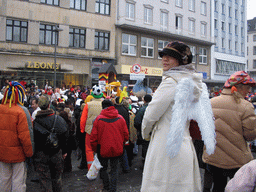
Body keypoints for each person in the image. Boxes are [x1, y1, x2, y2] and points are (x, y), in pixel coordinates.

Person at [140, 41, 216, 191]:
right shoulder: (192, 82)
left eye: (171, 56)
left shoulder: (171, 82)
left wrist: (145, 133)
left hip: (165, 145)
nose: (164, 59)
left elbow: (150, 115)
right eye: (163, 56)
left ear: (181, 61)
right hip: (185, 144)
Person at [202, 71, 256, 192]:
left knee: (218, 186)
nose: (249, 91)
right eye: (247, 88)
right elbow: (250, 136)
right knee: (239, 187)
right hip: (237, 159)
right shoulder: (246, 106)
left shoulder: (211, 102)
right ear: (239, 88)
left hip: (214, 156)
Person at [0, 81, 34, 192]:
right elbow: (25, 136)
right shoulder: (21, 111)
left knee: (4, 180)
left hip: (2, 153)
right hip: (18, 154)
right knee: (18, 181)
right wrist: (29, 153)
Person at [90, 100, 129, 192]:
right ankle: (113, 188)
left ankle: (106, 187)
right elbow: (126, 134)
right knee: (114, 169)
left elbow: (93, 137)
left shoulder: (98, 119)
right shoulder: (120, 118)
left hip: (102, 148)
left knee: (103, 168)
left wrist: (95, 149)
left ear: (103, 107)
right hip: (117, 148)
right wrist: (122, 143)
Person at [33, 95, 69, 192]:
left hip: (41, 154)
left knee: (44, 180)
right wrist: (64, 151)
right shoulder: (58, 119)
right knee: (57, 178)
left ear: (39, 106)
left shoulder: (35, 121)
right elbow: (65, 135)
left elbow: (33, 139)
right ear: (49, 105)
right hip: (56, 153)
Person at [80, 85, 103, 169]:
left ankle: (91, 168)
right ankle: (101, 166)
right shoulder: (103, 104)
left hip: (89, 130)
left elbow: (83, 119)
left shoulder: (88, 104)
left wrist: (82, 129)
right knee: (100, 148)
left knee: (89, 150)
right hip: (101, 130)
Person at [134, 94, 152, 161]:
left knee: (145, 147)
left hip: (144, 131)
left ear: (144, 100)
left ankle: (145, 161)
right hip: (154, 132)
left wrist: (140, 129)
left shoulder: (142, 109)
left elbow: (136, 121)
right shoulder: (154, 108)